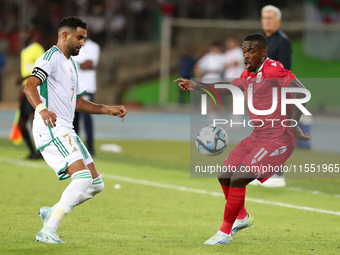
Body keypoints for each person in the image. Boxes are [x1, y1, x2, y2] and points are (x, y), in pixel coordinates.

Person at [174, 33, 311, 245]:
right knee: (224, 175)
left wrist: (292, 125)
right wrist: (197, 85)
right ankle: (242, 217)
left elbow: (300, 91)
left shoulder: (274, 69)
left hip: (277, 139)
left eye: (251, 51)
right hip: (258, 136)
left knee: (238, 178)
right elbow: (227, 88)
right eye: (244, 51)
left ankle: (224, 232)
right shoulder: (248, 75)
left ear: (263, 52)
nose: (246, 55)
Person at [23, 16, 127, 244]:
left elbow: (78, 102)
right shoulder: (50, 58)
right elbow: (29, 85)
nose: (82, 43)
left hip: (66, 128)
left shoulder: (72, 64)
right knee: (81, 178)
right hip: (50, 127)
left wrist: (108, 109)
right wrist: (42, 109)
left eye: (84, 38)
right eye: (79, 38)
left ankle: (53, 211)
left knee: (96, 184)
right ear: (64, 35)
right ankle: (48, 230)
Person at [16, 25, 45, 159]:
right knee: (21, 123)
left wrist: (25, 78)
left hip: (35, 89)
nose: (23, 35)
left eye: (26, 32)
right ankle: (33, 151)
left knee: (34, 120)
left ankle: (42, 151)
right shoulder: (24, 51)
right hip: (25, 90)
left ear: (32, 34)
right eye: (22, 32)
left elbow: (43, 69)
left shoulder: (37, 49)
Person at [72, 37, 100, 156]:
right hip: (73, 87)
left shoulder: (93, 46)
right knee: (74, 119)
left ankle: (90, 147)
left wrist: (73, 64)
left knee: (87, 118)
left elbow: (89, 64)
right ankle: (75, 147)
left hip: (87, 87)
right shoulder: (73, 45)